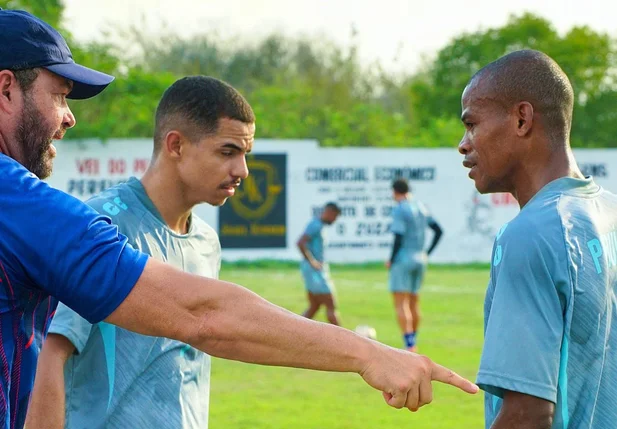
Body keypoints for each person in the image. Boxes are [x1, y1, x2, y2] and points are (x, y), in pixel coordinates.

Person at [0, 9, 478, 429]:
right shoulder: (39, 208)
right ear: (6, 89)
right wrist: (366, 353)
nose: (70, 118)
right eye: (59, 95)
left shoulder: (204, 240)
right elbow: (201, 314)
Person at [25, 76, 249, 429]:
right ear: (175, 145)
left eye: (245, 154)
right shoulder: (101, 226)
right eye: (228, 152)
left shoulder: (207, 241)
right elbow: (51, 353)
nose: (242, 170)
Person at [459, 49, 617, 428]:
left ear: (521, 119)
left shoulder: (532, 233)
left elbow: (527, 415)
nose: (463, 144)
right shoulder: (610, 212)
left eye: (471, 124)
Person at [386, 179, 442, 352]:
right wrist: (427, 252)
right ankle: (413, 340)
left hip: (404, 258)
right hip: (420, 258)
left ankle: (409, 344)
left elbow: (398, 236)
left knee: (401, 302)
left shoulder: (400, 209)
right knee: (414, 301)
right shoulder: (422, 207)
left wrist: (391, 258)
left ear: (395, 191)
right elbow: (438, 230)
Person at [297, 202, 341, 325]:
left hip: (311, 271)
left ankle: (296, 333)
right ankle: (344, 341)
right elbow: (300, 243)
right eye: (335, 217)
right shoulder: (315, 225)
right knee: (331, 305)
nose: (335, 220)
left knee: (314, 306)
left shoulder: (318, 225)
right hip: (315, 272)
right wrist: (313, 262)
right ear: (329, 213)